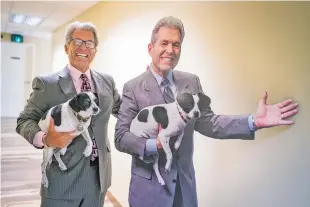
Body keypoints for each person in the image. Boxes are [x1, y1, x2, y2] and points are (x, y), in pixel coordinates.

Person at [114, 16, 299, 207]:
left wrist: (254, 121)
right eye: (164, 43)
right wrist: (154, 144)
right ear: (150, 48)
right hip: (149, 192)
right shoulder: (133, 87)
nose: (170, 50)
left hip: (184, 190)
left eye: (176, 45)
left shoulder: (191, 82)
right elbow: (121, 137)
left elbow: (209, 122)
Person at [16, 21, 121, 207]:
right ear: (66, 47)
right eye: (77, 41)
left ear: (95, 50)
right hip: (61, 181)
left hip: (98, 179)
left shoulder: (107, 82)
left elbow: (124, 110)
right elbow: (24, 120)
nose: (83, 47)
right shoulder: (47, 84)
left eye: (89, 43)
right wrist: (46, 139)